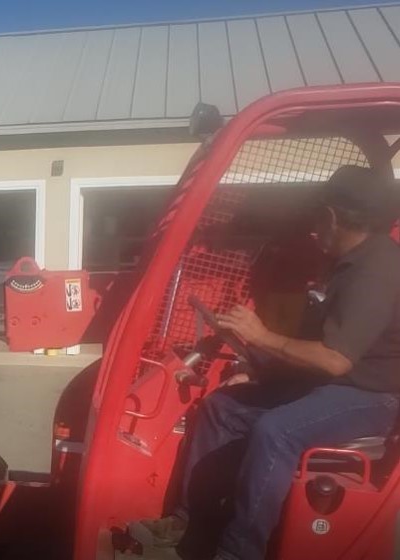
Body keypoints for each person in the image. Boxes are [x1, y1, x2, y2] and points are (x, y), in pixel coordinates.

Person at [142, 165, 400, 560]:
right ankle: (191, 522)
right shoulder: (349, 263)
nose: (314, 230)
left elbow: (334, 359)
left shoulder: (377, 270)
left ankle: (238, 551)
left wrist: (262, 337)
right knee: (222, 408)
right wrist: (258, 366)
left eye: (318, 217)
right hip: (333, 387)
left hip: (371, 397)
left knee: (275, 431)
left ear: (331, 216)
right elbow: (315, 347)